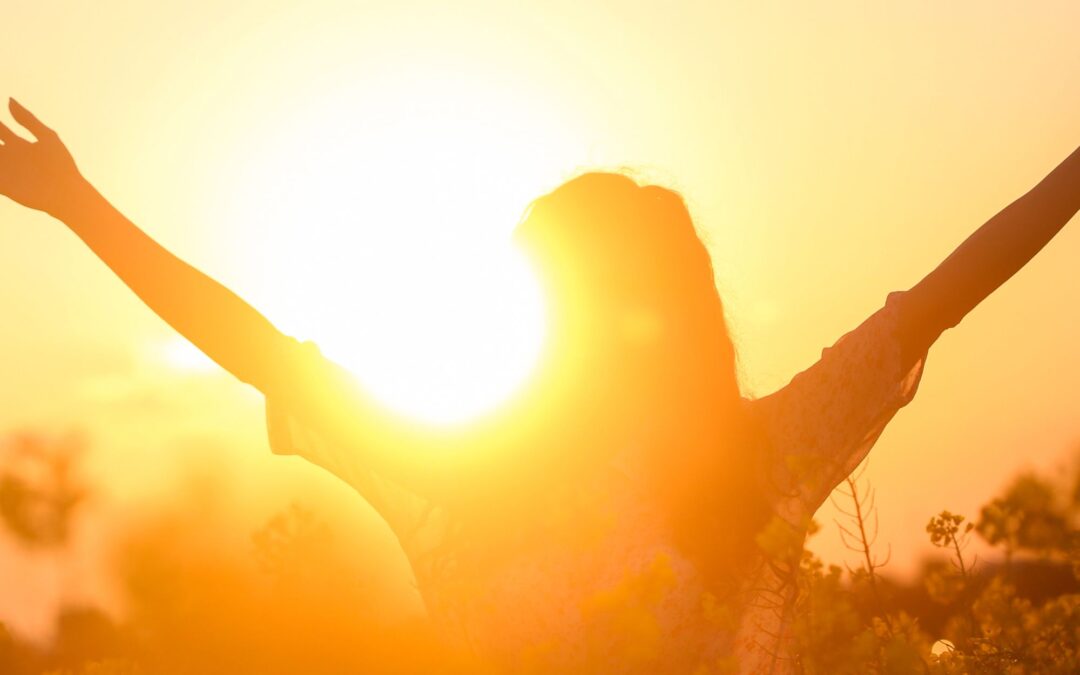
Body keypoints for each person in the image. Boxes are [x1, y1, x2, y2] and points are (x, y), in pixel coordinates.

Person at [0, 97, 1076, 673]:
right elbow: (257, 347)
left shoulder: (751, 463)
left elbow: (943, 293)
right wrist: (78, 206)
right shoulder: (473, 475)